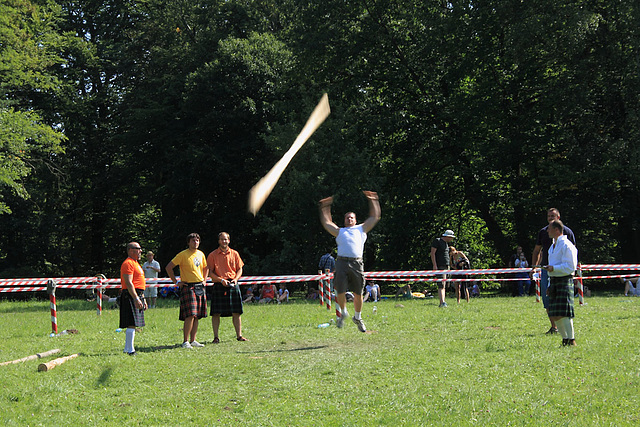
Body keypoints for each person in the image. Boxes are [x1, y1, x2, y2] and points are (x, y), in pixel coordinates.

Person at [319, 190, 381, 332]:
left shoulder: (361, 229)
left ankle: (357, 317)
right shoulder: (340, 231)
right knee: (339, 290)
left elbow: (375, 216)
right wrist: (325, 207)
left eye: (351, 217)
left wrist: (373, 200)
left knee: (358, 293)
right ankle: (344, 312)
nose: (349, 219)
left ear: (355, 219)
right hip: (341, 262)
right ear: (344, 220)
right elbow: (327, 222)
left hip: (356, 263)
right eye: (347, 217)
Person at [532, 208, 577, 334]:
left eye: (553, 216)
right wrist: (535, 267)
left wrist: (561, 270)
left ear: (558, 217)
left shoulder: (567, 237)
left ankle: (570, 338)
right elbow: (537, 251)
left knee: (563, 307)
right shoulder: (548, 240)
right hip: (549, 272)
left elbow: (572, 259)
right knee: (549, 300)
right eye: (548, 216)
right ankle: (556, 328)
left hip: (563, 274)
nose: (550, 218)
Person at [166, 233, 208, 349]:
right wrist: (176, 282)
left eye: (197, 240)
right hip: (188, 286)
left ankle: (193, 340)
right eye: (193, 241)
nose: (196, 242)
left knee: (197, 315)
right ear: (188, 242)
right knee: (190, 315)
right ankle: (185, 341)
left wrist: (204, 280)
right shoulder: (183, 255)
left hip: (199, 286)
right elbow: (169, 267)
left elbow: (206, 267)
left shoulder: (201, 254)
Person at [207, 232, 247, 342]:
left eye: (226, 239)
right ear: (218, 241)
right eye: (222, 239)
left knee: (236, 312)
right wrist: (221, 280)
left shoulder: (235, 254)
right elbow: (210, 272)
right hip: (219, 284)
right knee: (216, 313)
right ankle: (216, 337)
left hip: (233, 284)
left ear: (229, 240)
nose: (224, 241)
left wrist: (235, 279)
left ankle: (239, 336)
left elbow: (240, 269)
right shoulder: (212, 255)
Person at [543, 219, 578, 346]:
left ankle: (571, 339)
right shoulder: (552, 247)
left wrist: (554, 269)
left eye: (549, 228)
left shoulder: (567, 246)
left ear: (557, 230)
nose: (547, 231)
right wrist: (548, 284)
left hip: (564, 279)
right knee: (555, 314)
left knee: (564, 313)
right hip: (553, 280)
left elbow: (571, 267)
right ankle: (565, 340)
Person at [120, 242, 147, 355]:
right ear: (131, 250)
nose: (140, 251)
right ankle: (130, 350)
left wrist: (143, 298)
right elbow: (129, 282)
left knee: (133, 323)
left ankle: (128, 349)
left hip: (137, 294)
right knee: (131, 322)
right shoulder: (128, 263)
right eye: (138, 249)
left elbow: (139, 283)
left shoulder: (135, 263)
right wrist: (136, 298)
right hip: (130, 295)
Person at [431, 229, 455, 307]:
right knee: (441, 285)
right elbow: (432, 253)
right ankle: (442, 302)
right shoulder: (437, 241)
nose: (452, 239)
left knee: (444, 285)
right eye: (451, 237)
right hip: (440, 266)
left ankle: (443, 301)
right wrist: (435, 265)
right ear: (447, 236)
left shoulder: (446, 244)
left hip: (446, 266)